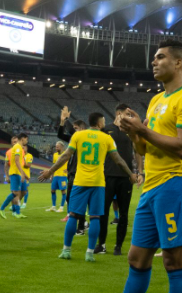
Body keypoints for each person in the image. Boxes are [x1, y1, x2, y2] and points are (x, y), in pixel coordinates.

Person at [89, 40, 182, 293]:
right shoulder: (156, 101)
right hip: (151, 187)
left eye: (161, 57)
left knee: (174, 261)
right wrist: (133, 133)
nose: (154, 62)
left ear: (179, 63)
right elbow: (144, 149)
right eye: (154, 57)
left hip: (176, 184)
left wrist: (143, 129)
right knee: (137, 259)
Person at [39, 112, 136, 261]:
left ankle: (66, 250)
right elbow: (118, 160)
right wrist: (131, 174)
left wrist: (50, 171)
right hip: (98, 183)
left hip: (80, 181)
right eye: (103, 120)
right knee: (95, 217)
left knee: (73, 215)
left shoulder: (78, 136)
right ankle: (90, 253)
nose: (104, 122)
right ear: (99, 123)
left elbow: (65, 155)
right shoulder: (107, 138)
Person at [98, 104, 145, 256]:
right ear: (119, 113)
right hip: (107, 176)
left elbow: (138, 151)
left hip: (126, 177)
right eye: (127, 113)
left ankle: (118, 246)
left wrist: (140, 171)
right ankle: (101, 244)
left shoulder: (131, 131)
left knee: (124, 213)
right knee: (103, 212)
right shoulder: (106, 130)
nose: (129, 116)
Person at [0, 134, 29, 219]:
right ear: (23, 139)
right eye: (26, 139)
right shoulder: (18, 147)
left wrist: (24, 174)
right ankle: (2, 208)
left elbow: (21, 163)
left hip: (18, 173)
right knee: (15, 193)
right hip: (15, 173)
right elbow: (16, 161)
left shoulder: (20, 148)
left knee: (23, 192)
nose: (27, 141)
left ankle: (16, 211)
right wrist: (22, 173)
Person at [48, 141, 68, 213]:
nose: (56, 148)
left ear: (62, 147)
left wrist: (68, 169)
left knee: (63, 191)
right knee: (52, 190)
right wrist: (51, 175)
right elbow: (53, 165)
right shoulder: (55, 155)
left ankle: (61, 207)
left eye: (57, 147)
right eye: (56, 147)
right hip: (56, 175)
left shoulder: (66, 154)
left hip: (63, 176)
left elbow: (71, 163)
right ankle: (53, 206)